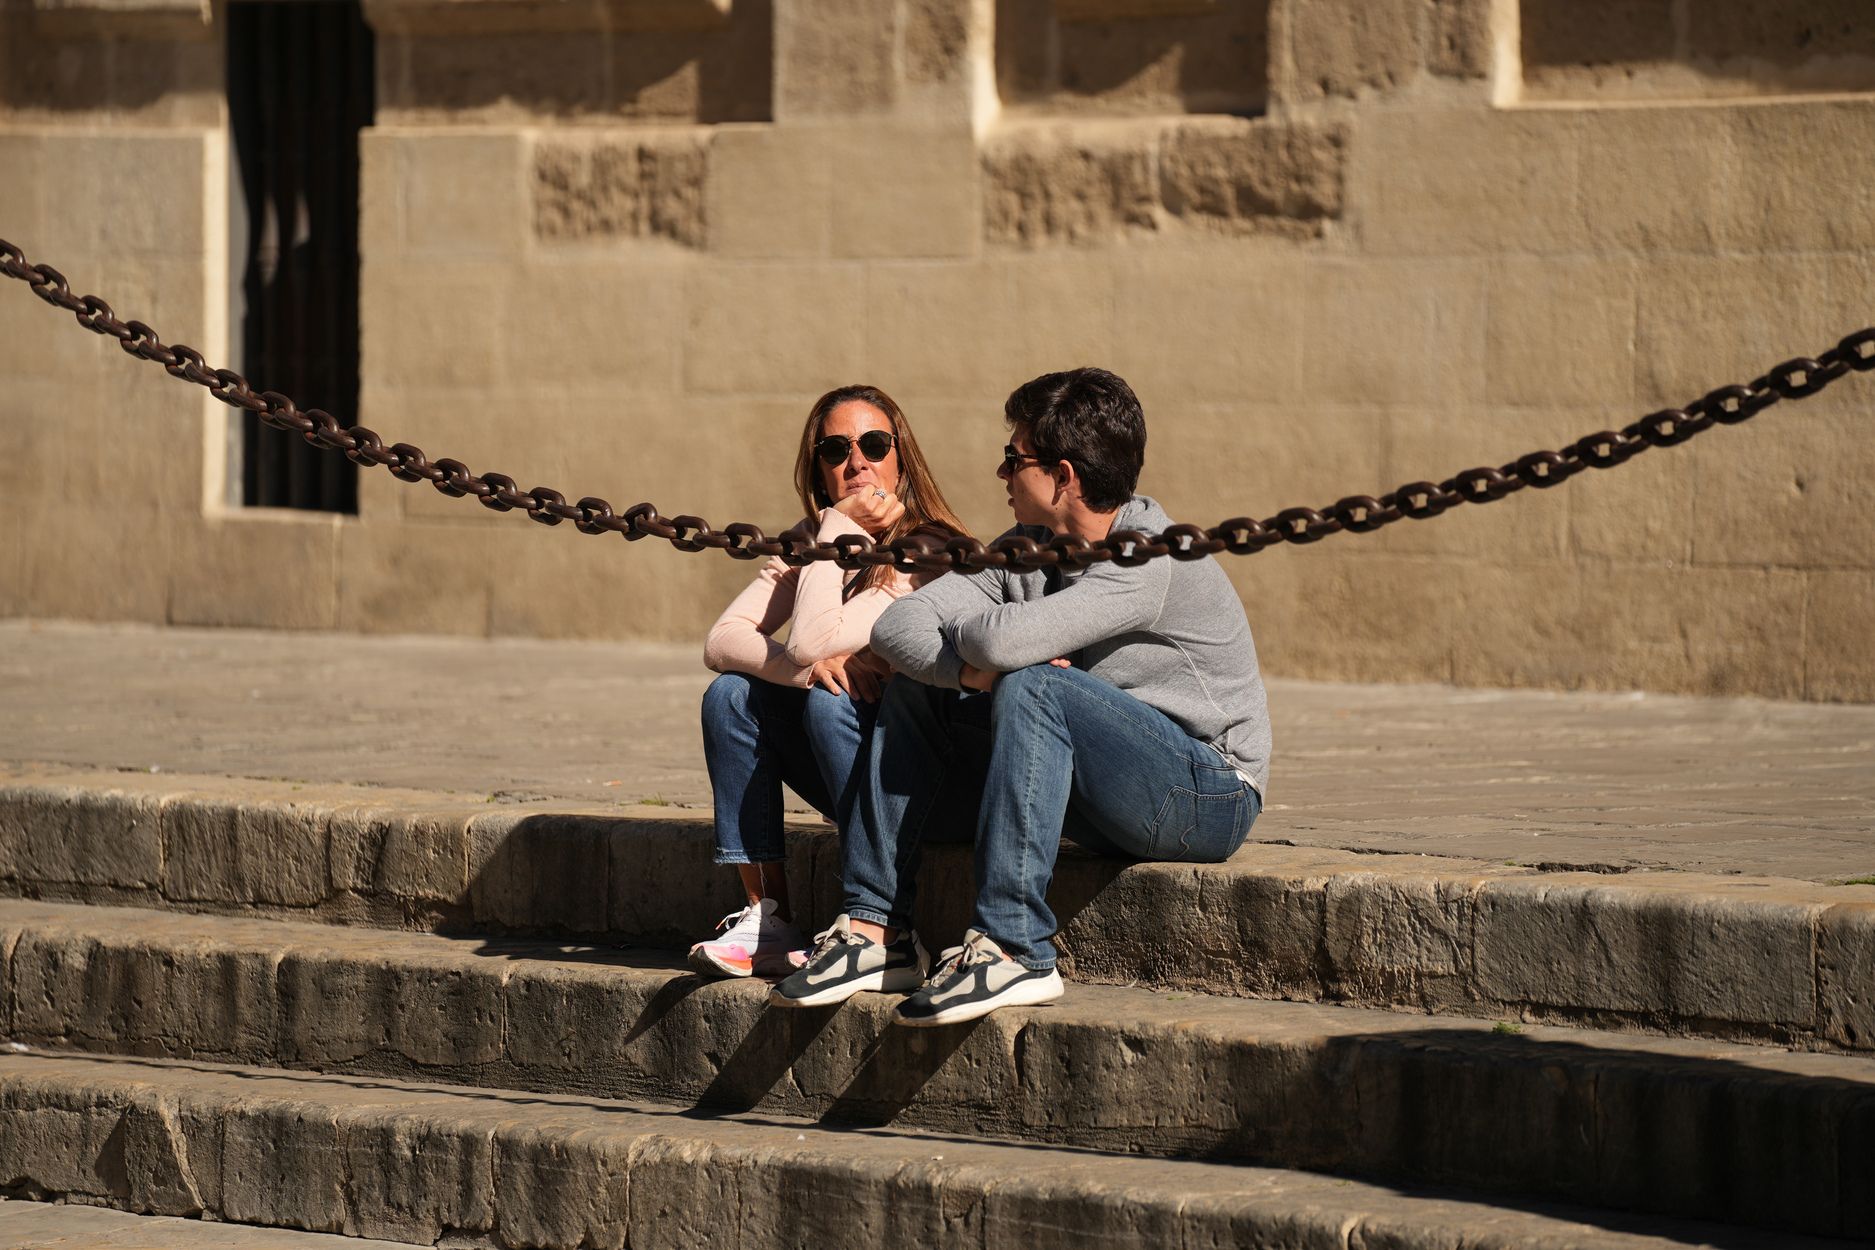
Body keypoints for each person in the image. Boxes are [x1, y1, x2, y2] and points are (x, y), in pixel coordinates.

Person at [771, 366, 1271, 1024]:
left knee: (1037, 685)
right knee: (921, 690)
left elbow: (1006, 651)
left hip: (1205, 793)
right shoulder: (1026, 551)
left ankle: (1013, 948)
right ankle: (874, 932)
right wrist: (972, 671)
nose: (1001, 474)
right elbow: (896, 628)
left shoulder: (1146, 559)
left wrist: (992, 651)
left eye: (1014, 459)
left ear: (1062, 476)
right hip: (1101, 789)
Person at [692, 384, 968, 979]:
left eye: (873, 443)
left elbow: (816, 636)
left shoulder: (931, 547)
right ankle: (768, 916)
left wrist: (836, 533)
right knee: (731, 697)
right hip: (855, 769)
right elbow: (724, 640)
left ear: (901, 457)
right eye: (836, 449)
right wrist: (802, 668)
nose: (856, 462)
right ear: (817, 467)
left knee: (829, 701)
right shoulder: (817, 536)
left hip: (928, 792)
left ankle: (883, 924)